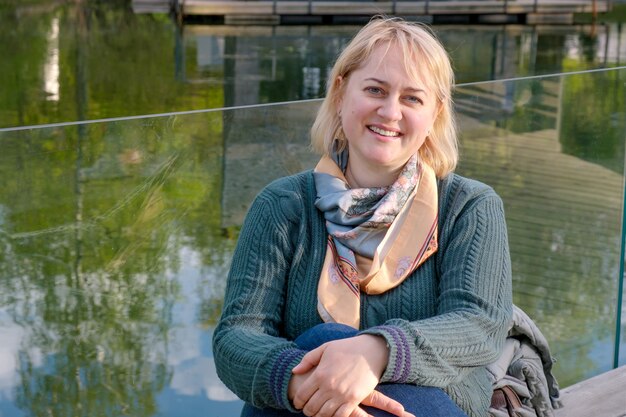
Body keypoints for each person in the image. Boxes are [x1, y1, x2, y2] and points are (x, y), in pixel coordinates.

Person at [213, 16, 513, 417]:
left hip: (434, 405)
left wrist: (377, 352)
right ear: (340, 94)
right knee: (325, 345)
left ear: (435, 114)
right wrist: (300, 382)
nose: (390, 112)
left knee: (326, 339)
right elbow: (236, 337)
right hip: (300, 407)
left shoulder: (469, 205)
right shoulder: (282, 205)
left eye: (412, 98)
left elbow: (480, 326)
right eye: (375, 89)